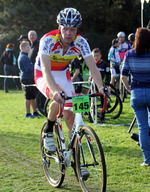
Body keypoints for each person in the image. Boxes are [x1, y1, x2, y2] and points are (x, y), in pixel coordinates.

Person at [34, 8, 105, 178]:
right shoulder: (48, 40)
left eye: (72, 29)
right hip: (44, 74)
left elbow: (92, 67)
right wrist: (55, 90)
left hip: (63, 74)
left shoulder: (81, 42)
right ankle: (48, 131)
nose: (68, 33)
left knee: (71, 116)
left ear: (77, 30)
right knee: (57, 99)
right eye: (65, 28)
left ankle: (76, 161)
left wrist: (101, 88)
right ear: (59, 27)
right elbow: (45, 68)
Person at [121, 27, 150, 166]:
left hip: (137, 93)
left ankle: (147, 160)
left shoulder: (129, 54)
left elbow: (123, 76)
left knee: (142, 127)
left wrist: (129, 89)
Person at [18, 41, 41, 118]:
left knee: (32, 96)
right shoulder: (24, 57)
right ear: (24, 48)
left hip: (29, 78)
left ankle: (34, 112)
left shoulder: (25, 56)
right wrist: (34, 66)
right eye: (28, 47)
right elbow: (28, 69)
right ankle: (28, 113)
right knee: (28, 96)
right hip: (26, 78)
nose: (29, 48)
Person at [92, 48, 111, 123]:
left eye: (97, 55)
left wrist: (107, 84)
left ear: (100, 56)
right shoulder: (91, 64)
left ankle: (102, 118)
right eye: (94, 56)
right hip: (93, 85)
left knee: (103, 101)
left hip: (102, 85)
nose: (96, 57)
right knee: (92, 101)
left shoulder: (104, 64)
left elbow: (108, 74)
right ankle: (91, 116)